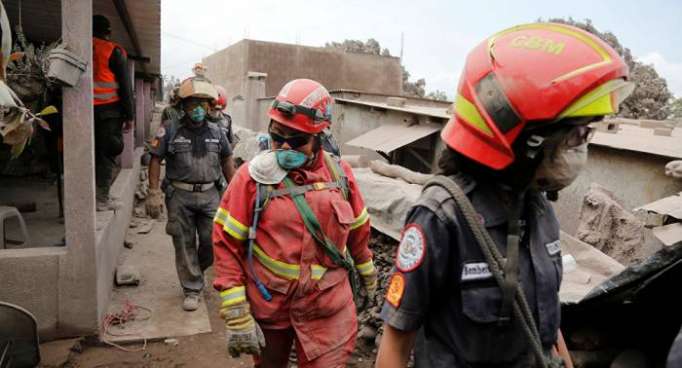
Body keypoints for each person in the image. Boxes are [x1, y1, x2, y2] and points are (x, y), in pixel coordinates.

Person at [375, 23, 634, 368]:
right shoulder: (442, 216)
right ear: (526, 141)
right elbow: (397, 339)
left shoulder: (538, 208)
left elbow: (542, 320)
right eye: (576, 135)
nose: (582, 148)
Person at [212, 79, 376, 367]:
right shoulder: (251, 179)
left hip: (327, 307)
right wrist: (235, 309)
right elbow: (226, 243)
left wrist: (368, 276)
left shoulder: (341, 176)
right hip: (271, 306)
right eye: (277, 137)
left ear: (320, 136)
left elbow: (359, 232)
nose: (285, 146)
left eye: (297, 139)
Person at [145, 76, 235, 311]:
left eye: (202, 104)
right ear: (183, 105)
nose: (198, 108)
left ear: (209, 106)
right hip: (180, 197)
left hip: (210, 196)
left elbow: (227, 159)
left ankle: (196, 269)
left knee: (212, 242)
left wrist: (235, 191)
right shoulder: (170, 129)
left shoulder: (217, 131)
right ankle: (192, 288)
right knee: (184, 243)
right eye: (192, 103)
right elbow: (155, 159)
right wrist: (153, 192)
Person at [92, 15, 134, 211]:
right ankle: (102, 199)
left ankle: (84, 196)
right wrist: (130, 116)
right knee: (107, 153)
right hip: (108, 111)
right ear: (108, 32)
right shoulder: (113, 51)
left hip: (80, 112)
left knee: (85, 153)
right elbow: (126, 87)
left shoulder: (78, 48)